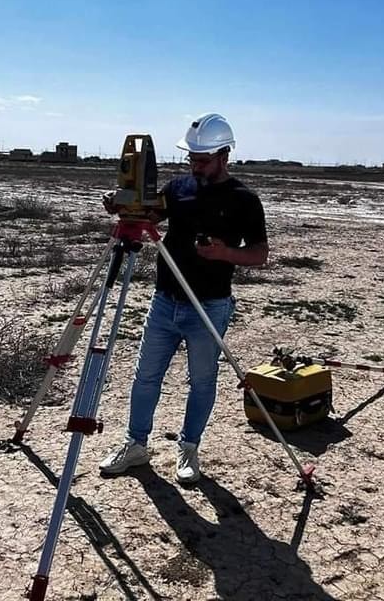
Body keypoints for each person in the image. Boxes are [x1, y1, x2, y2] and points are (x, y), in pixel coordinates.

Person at [98, 113, 269, 483]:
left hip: (209, 305)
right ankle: (136, 445)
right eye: (192, 157)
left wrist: (225, 253)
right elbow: (149, 214)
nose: (195, 164)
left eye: (203, 159)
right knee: (146, 377)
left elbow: (259, 254)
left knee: (202, 382)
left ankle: (189, 449)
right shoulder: (177, 189)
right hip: (166, 301)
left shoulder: (245, 200)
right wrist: (124, 204)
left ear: (224, 155)